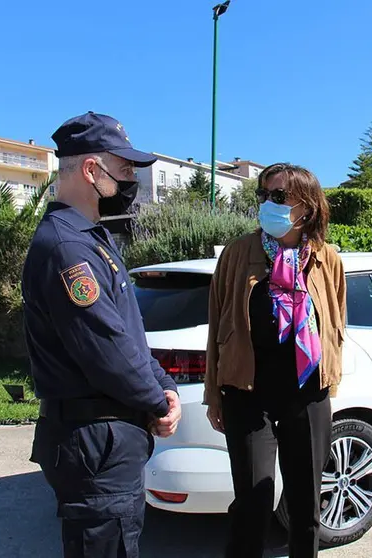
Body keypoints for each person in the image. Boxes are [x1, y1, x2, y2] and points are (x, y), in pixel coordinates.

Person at [23, 112, 182, 558]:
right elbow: (106, 350)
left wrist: (164, 386)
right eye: (125, 169)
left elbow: (129, 334)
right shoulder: (67, 248)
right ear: (92, 170)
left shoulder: (94, 240)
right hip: (94, 442)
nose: (131, 179)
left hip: (109, 439)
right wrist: (157, 402)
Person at [204, 163, 347, 558]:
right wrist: (214, 394)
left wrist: (331, 381)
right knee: (252, 506)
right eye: (263, 195)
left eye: (279, 196)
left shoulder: (327, 259)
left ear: (307, 206)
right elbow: (217, 325)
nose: (269, 203)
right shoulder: (238, 253)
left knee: (305, 508)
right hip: (248, 394)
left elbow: (336, 323)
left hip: (307, 395)